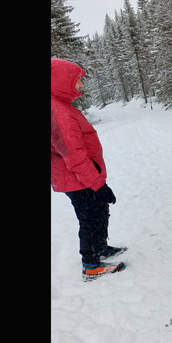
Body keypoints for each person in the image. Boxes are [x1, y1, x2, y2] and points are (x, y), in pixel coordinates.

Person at [51, 58, 127, 281]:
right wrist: (98, 184)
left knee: (99, 211)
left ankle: (101, 248)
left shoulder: (62, 106)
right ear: (61, 81)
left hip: (82, 176)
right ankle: (91, 264)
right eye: (78, 81)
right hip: (76, 178)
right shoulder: (58, 111)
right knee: (90, 218)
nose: (81, 85)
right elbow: (74, 155)